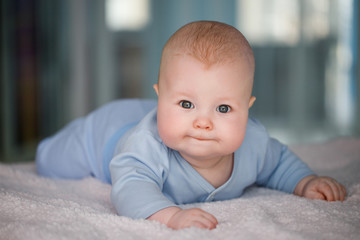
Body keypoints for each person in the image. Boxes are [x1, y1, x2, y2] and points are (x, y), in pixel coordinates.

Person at [36, 21, 346, 230]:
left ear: (247, 109)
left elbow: (278, 164)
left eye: (223, 108)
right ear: (159, 98)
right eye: (187, 104)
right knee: (51, 161)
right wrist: (172, 216)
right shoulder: (145, 145)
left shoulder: (254, 141)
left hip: (158, 117)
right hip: (106, 133)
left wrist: (305, 182)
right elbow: (130, 189)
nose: (203, 121)